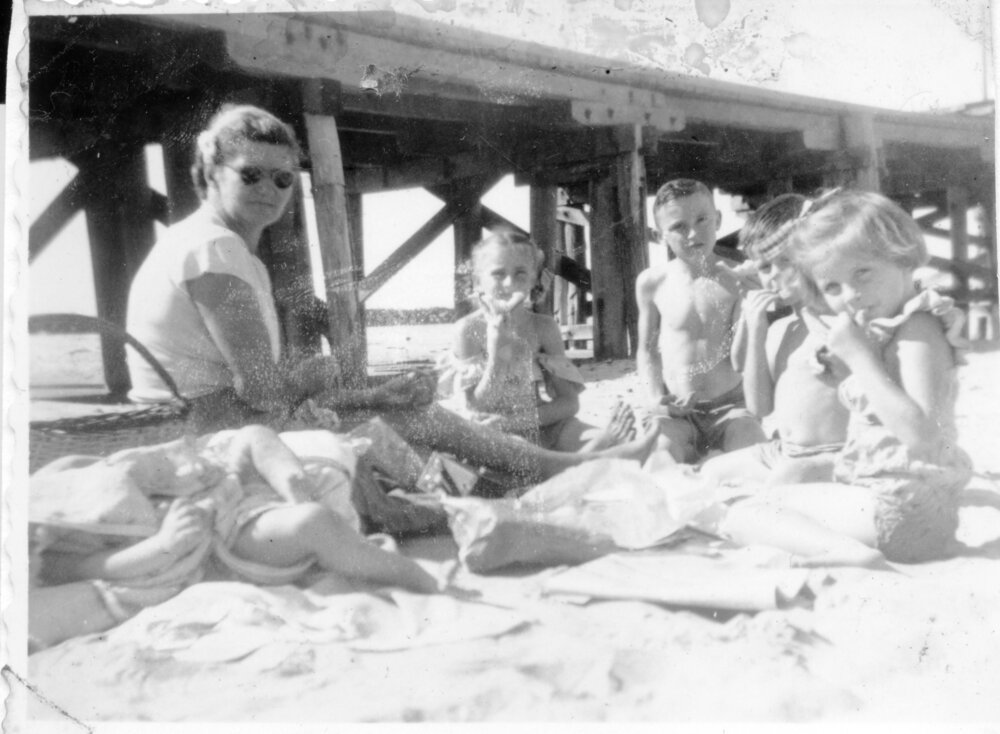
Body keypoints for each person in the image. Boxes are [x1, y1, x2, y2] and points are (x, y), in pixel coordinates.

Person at [126, 104, 657, 486]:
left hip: (205, 420)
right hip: (208, 431)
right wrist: (325, 376)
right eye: (251, 175)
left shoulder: (205, 244)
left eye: (285, 179)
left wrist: (368, 394)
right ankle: (568, 468)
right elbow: (262, 392)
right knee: (421, 421)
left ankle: (528, 472)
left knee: (407, 420)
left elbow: (256, 389)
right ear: (211, 174)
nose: (270, 190)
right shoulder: (216, 251)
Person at [714, 190, 972, 566]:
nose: (850, 295)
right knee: (754, 500)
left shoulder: (918, 328)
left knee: (747, 513)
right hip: (906, 507)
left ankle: (843, 553)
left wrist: (860, 358)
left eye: (862, 273)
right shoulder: (897, 327)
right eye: (833, 287)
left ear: (900, 255)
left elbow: (924, 436)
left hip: (900, 511)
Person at [30, 425, 438, 651]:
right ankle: (404, 573)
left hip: (211, 477)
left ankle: (293, 483)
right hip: (223, 532)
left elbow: (104, 466)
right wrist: (162, 545)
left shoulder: (51, 482)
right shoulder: (50, 549)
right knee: (310, 523)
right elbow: (92, 568)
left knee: (255, 435)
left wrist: (161, 469)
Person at [439, 229, 635, 452]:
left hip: (538, 421)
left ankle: (587, 455)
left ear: (533, 279)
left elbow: (569, 403)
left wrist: (517, 422)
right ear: (478, 282)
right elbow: (473, 408)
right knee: (516, 452)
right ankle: (574, 463)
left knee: (614, 444)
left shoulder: (543, 327)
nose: (510, 283)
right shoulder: (468, 330)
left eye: (520, 273)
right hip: (489, 429)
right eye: (498, 274)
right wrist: (497, 355)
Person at [701, 194, 849, 487]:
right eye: (765, 267)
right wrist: (755, 328)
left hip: (834, 454)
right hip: (782, 451)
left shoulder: (838, 324)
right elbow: (759, 408)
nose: (775, 276)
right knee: (710, 473)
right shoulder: (782, 329)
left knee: (774, 492)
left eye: (786, 261)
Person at [636, 178, 765, 463]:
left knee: (753, 453)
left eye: (702, 219)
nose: (693, 233)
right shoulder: (652, 282)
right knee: (660, 458)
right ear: (660, 236)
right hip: (677, 411)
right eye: (679, 226)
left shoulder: (737, 279)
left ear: (718, 219)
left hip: (732, 407)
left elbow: (744, 355)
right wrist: (655, 399)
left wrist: (750, 303)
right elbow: (646, 351)